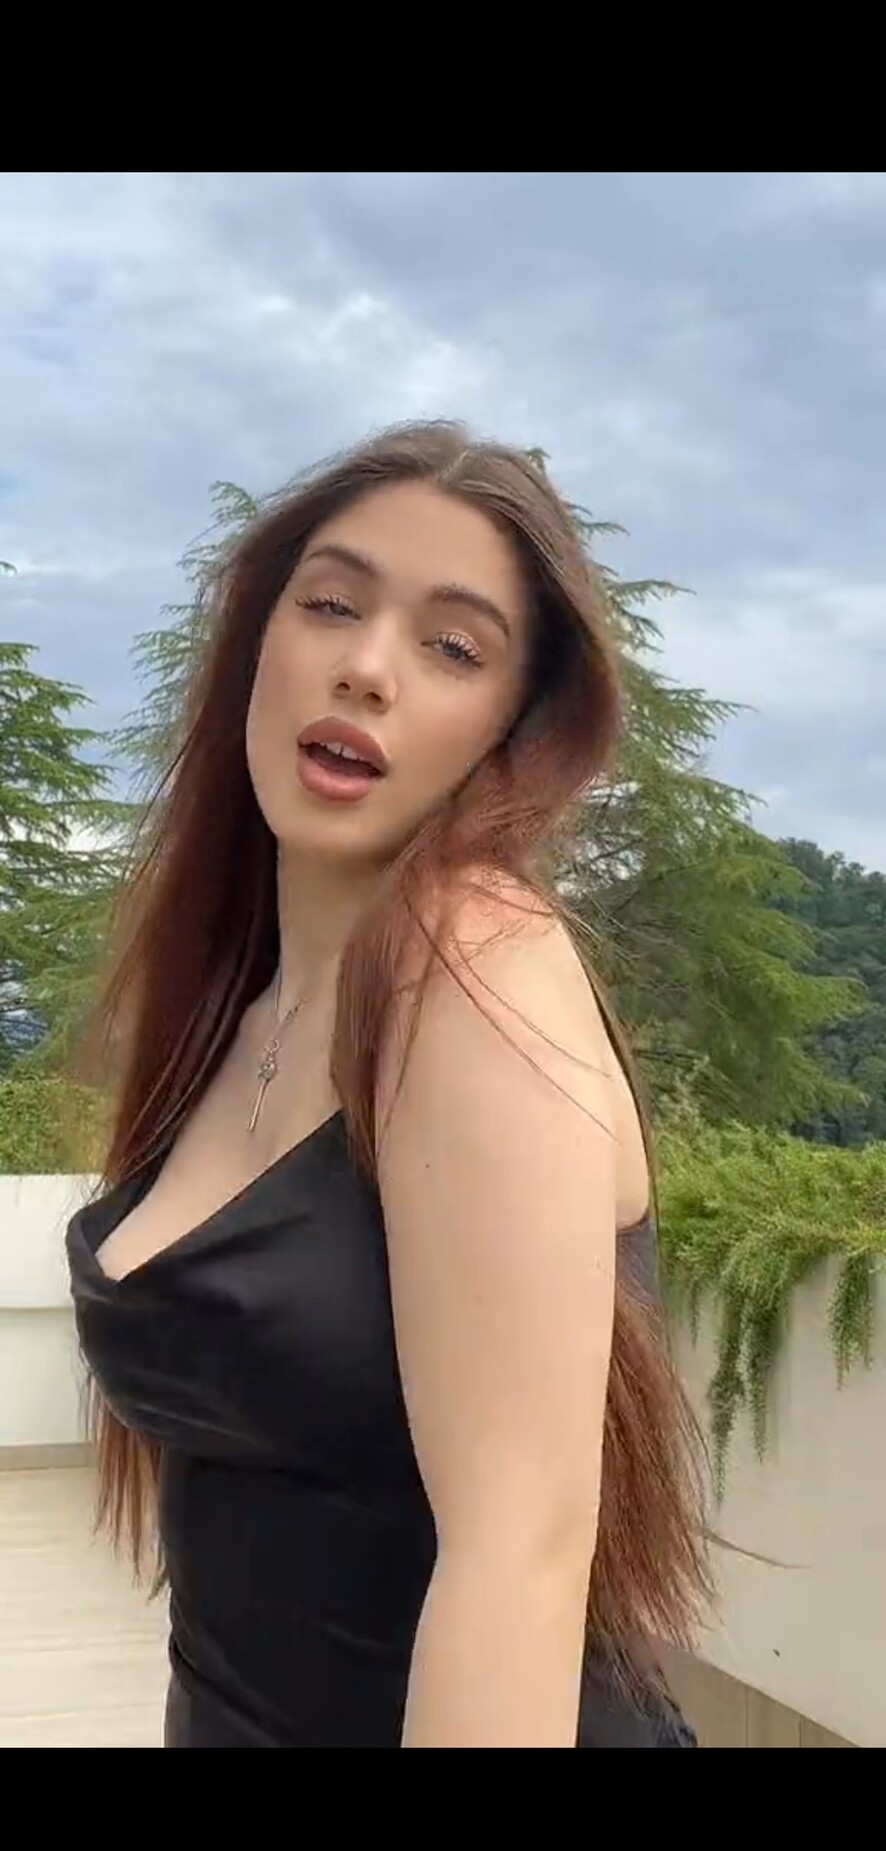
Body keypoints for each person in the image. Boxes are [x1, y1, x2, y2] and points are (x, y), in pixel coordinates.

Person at [66, 421, 709, 1748]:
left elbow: (520, 1555)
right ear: (257, 641)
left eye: (452, 647)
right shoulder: (235, 1010)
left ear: (510, 729)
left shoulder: (473, 965)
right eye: (331, 605)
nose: (366, 667)